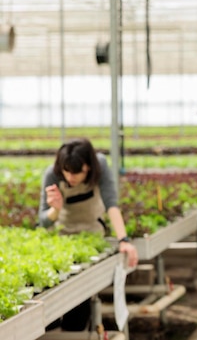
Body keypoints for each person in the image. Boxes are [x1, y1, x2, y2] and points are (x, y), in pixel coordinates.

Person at [39, 138, 138, 331]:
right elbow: (43, 221)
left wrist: (123, 240)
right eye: (67, 171)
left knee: (80, 296)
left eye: (77, 172)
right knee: (52, 295)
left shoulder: (100, 165)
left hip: (91, 238)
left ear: (89, 167)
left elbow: (111, 203)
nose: (71, 177)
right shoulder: (52, 174)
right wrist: (55, 210)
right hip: (62, 238)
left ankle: (73, 331)